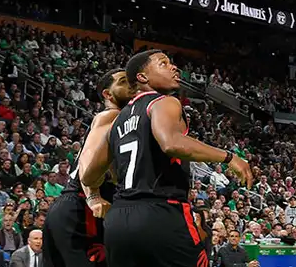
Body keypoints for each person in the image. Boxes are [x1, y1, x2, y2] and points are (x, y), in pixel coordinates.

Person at [80, 50, 252, 267]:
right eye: (164, 63)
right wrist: (229, 158)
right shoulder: (163, 102)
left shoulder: (116, 121)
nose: (174, 68)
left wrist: (96, 194)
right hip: (162, 213)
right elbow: (171, 143)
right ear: (142, 77)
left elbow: (88, 175)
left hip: (119, 220)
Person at [43, 69, 132, 267]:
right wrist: (93, 196)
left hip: (71, 208)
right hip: (82, 207)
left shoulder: (126, 122)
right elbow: (86, 161)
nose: (132, 85)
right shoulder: (112, 116)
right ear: (108, 94)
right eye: (124, 81)